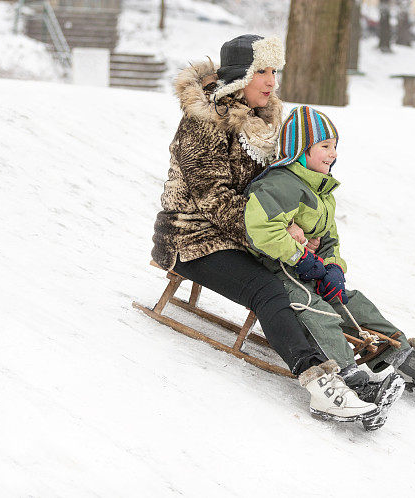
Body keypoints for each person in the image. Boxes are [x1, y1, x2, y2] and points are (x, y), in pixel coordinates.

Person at [150, 36, 383, 425]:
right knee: (269, 290)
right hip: (192, 239)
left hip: (245, 237)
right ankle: (319, 384)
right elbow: (212, 196)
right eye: (262, 70)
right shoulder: (201, 122)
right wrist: (275, 233)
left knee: (300, 283)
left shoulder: (264, 121)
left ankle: (358, 368)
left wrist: (302, 231)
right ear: (240, 77)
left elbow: (277, 188)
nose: (272, 81)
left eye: (274, 71)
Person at [244, 105, 415, 406]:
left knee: (356, 304)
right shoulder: (280, 184)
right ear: (301, 150)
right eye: (325, 146)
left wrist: (333, 268)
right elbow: (260, 229)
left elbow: (329, 240)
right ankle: (348, 378)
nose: (333, 153)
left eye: (335, 146)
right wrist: (302, 259)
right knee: (317, 310)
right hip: (278, 272)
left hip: (307, 271)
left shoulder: (320, 191)